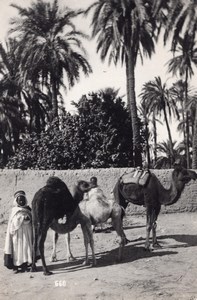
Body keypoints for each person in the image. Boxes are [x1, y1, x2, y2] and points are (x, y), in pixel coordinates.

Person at [4, 190, 33, 273]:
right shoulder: (14, 210)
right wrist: (22, 218)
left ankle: (25, 265)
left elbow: (31, 220)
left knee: (25, 248)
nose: (21, 201)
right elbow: (13, 223)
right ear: (16, 201)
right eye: (19, 200)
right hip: (17, 234)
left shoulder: (28, 209)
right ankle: (16, 266)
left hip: (26, 233)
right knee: (17, 250)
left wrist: (28, 218)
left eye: (23, 199)